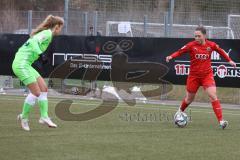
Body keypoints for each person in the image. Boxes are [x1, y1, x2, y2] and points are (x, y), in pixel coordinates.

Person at [166, 26, 236, 129]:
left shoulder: (211, 45)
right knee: (189, 99)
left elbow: (221, 51)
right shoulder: (191, 45)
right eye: (195, 36)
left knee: (213, 95)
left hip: (207, 75)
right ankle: (179, 112)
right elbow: (180, 51)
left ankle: (221, 121)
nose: (196, 38)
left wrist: (229, 60)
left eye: (199, 36)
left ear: (204, 36)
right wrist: (171, 56)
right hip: (194, 76)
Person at [12, 15, 64, 131]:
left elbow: (33, 41)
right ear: (57, 26)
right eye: (61, 28)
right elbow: (33, 42)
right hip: (21, 64)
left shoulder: (46, 34)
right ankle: (24, 118)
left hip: (26, 64)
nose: (61, 30)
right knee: (36, 92)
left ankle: (44, 117)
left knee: (44, 88)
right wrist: (41, 55)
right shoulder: (47, 34)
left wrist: (40, 55)